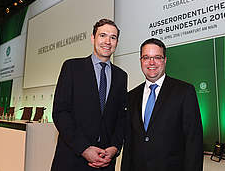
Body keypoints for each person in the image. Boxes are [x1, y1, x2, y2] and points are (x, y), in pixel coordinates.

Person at [51, 19, 127, 171]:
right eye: (103, 35)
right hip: (72, 159)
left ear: (117, 42)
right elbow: (60, 112)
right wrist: (84, 149)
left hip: (105, 161)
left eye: (113, 37)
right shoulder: (72, 67)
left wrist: (115, 148)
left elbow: (121, 117)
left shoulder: (121, 76)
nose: (107, 41)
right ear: (93, 38)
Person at [121, 38, 203, 171]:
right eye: (146, 57)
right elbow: (129, 144)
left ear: (165, 60)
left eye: (157, 57)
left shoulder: (184, 91)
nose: (151, 62)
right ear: (141, 61)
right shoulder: (131, 96)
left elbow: (193, 141)